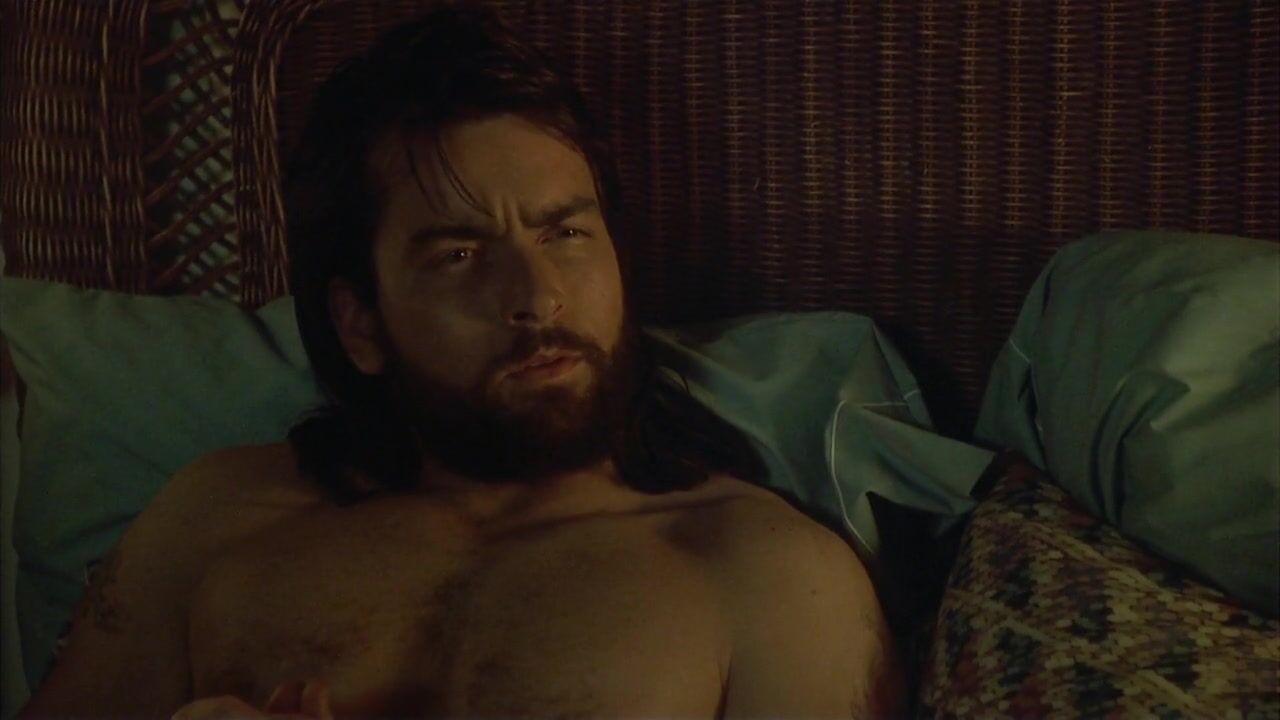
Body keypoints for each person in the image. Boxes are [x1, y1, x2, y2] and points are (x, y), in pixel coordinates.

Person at [18, 5, 904, 718]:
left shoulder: (767, 574)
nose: (537, 296)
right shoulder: (216, 523)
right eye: (459, 254)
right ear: (360, 324)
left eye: (565, 234)